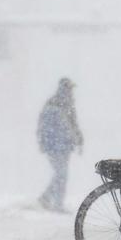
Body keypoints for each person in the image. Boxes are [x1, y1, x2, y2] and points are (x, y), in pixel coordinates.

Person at [37, 78, 83, 212]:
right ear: (65, 88)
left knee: (61, 174)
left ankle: (48, 199)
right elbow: (45, 126)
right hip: (54, 145)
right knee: (61, 174)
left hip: (64, 145)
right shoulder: (56, 103)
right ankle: (53, 203)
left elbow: (73, 123)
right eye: (70, 88)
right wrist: (44, 142)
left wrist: (79, 139)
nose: (72, 91)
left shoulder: (66, 104)